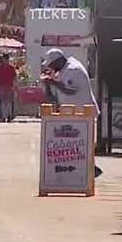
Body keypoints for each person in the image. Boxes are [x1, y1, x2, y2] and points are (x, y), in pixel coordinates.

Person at [41, 48, 101, 177]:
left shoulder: (72, 69)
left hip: (83, 113)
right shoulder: (63, 70)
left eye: (51, 64)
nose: (50, 67)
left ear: (58, 61)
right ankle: (88, 169)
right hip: (73, 114)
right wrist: (47, 85)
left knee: (82, 143)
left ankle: (89, 170)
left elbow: (70, 90)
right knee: (77, 145)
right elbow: (54, 97)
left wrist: (52, 82)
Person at [0, 56, 18, 122]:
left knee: (8, 102)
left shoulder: (11, 68)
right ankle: (3, 116)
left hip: (9, 87)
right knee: (3, 103)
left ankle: (9, 116)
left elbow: (14, 78)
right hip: (1, 86)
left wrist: (14, 86)